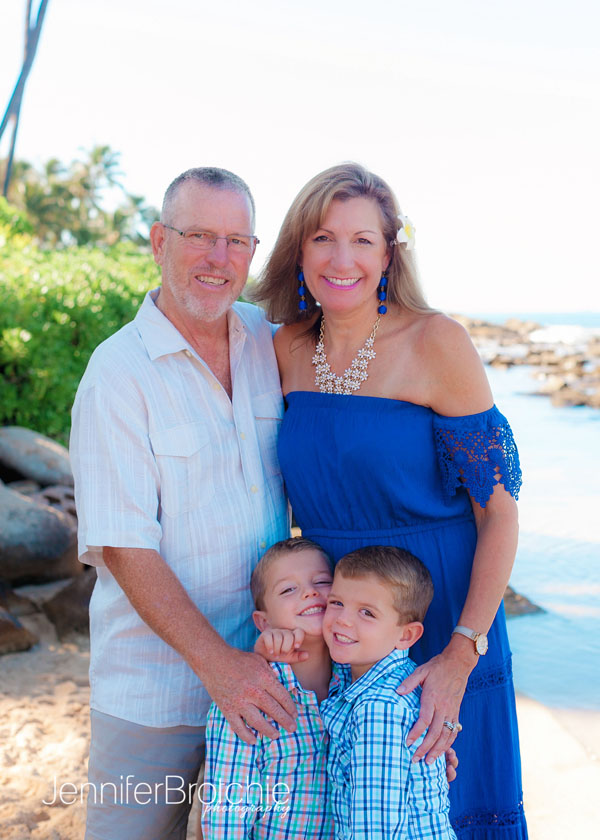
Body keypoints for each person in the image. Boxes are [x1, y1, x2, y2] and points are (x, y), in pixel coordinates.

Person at [250, 162, 527, 838]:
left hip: (439, 616)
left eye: (362, 240)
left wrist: (463, 650)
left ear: (388, 253)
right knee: (342, 812)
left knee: (450, 810)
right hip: (335, 620)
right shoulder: (282, 347)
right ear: (298, 250)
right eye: (322, 238)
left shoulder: (437, 342)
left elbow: (500, 513)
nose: (341, 258)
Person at [70, 167, 296, 840]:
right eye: (200, 236)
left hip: (267, 679)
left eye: (236, 240)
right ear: (158, 241)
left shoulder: (268, 342)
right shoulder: (118, 374)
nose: (218, 259)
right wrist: (219, 666)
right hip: (154, 695)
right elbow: (123, 545)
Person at [202, 536, 335, 839]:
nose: (310, 592)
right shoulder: (245, 699)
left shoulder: (359, 686)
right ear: (263, 622)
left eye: (323, 582)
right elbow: (227, 822)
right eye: (289, 589)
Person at [321, 545, 456, 840]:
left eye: (367, 613)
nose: (343, 620)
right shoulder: (368, 675)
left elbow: (376, 830)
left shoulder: (378, 708)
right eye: (337, 602)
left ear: (405, 635)